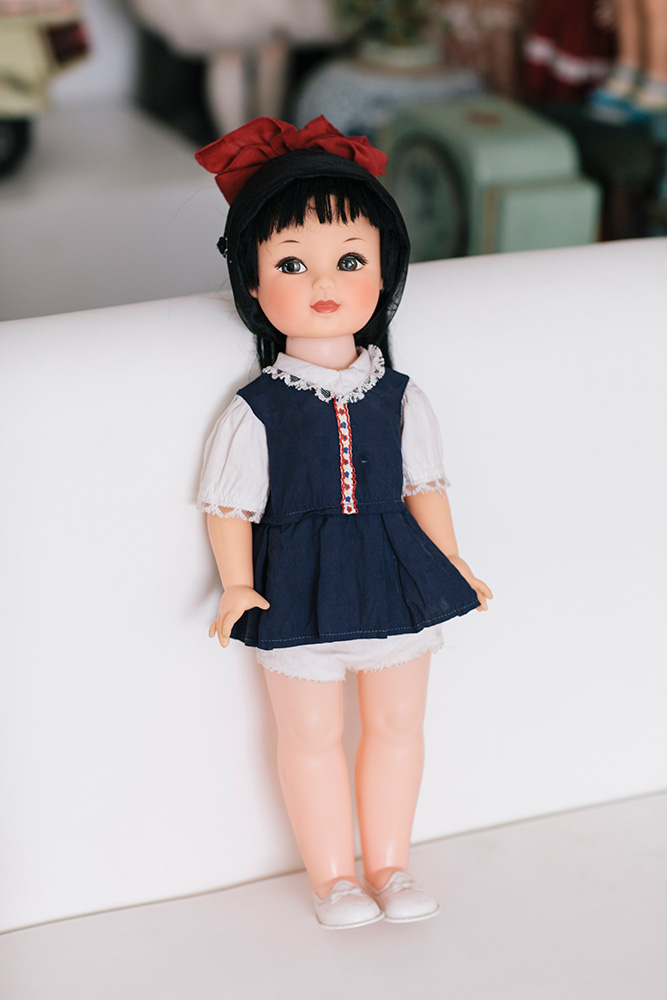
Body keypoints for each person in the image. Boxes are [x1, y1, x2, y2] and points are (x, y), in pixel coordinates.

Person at [195, 115, 492, 929]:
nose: (322, 281)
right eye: (291, 263)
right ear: (253, 284)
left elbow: (425, 486)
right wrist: (236, 586)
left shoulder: (400, 397)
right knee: (308, 734)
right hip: (295, 583)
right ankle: (333, 877)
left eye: (350, 260)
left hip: (397, 573)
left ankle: (390, 864)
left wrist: (453, 562)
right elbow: (229, 506)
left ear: (384, 272)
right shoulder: (256, 409)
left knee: (398, 723)